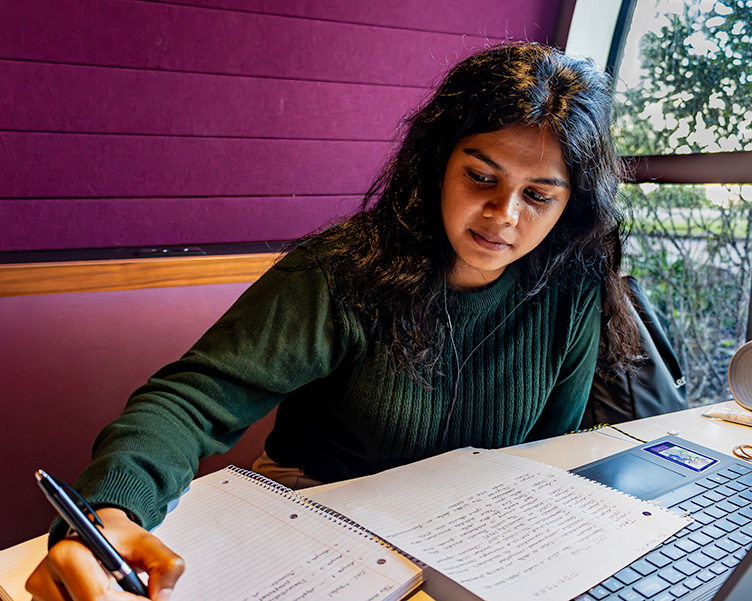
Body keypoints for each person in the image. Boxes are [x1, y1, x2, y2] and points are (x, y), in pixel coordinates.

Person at [26, 41, 640, 600]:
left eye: (538, 195)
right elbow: (193, 400)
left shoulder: (574, 283)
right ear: (437, 165)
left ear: (570, 202)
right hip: (316, 511)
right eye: (481, 177)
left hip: (464, 534)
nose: (504, 215)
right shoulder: (346, 270)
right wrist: (110, 511)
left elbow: (546, 454)